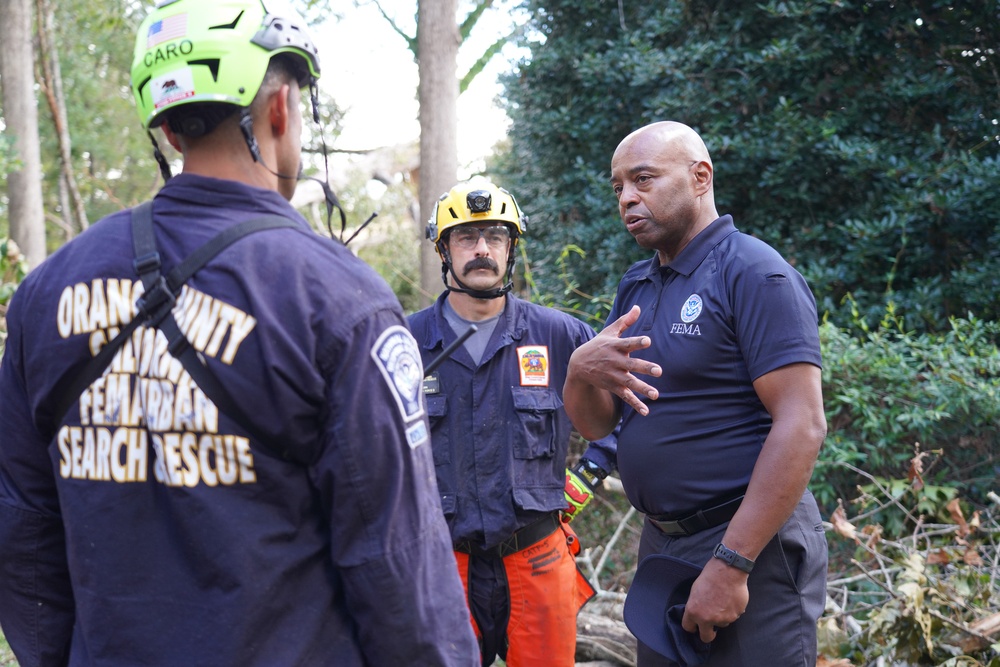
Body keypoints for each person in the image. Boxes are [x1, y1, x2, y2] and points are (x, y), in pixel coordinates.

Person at [0, 2, 478, 665]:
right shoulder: (337, 299)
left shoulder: (43, 296)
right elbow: (398, 567)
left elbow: (22, 532)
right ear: (280, 109)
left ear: (169, 130)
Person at [563, 121, 828, 667]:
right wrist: (577, 372)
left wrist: (731, 563)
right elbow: (597, 423)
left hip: (751, 547)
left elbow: (802, 425)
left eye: (643, 179)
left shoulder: (753, 273)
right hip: (662, 545)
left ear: (700, 177)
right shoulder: (638, 285)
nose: (627, 198)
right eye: (618, 188)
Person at [408, 180, 618, 666]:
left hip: (538, 557)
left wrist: (587, 474)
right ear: (444, 250)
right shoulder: (405, 340)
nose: (482, 249)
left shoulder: (559, 334)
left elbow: (631, 411)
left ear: (511, 247)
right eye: (466, 237)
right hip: (442, 563)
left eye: (495, 237)